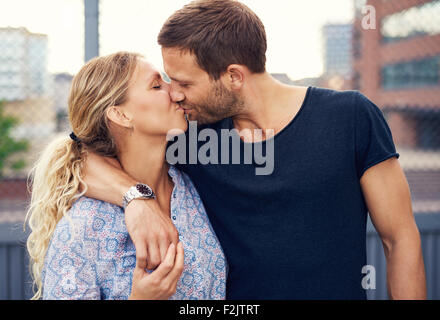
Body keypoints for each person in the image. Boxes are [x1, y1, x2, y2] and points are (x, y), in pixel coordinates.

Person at [82, 0, 426, 299]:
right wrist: (136, 200)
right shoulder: (191, 136)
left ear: (233, 76)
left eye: (184, 83)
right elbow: (80, 157)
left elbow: (399, 239)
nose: (174, 94)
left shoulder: (351, 117)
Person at [25, 52, 226, 300]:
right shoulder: (83, 226)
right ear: (121, 115)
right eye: (156, 86)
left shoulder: (192, 187)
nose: (175, 92)